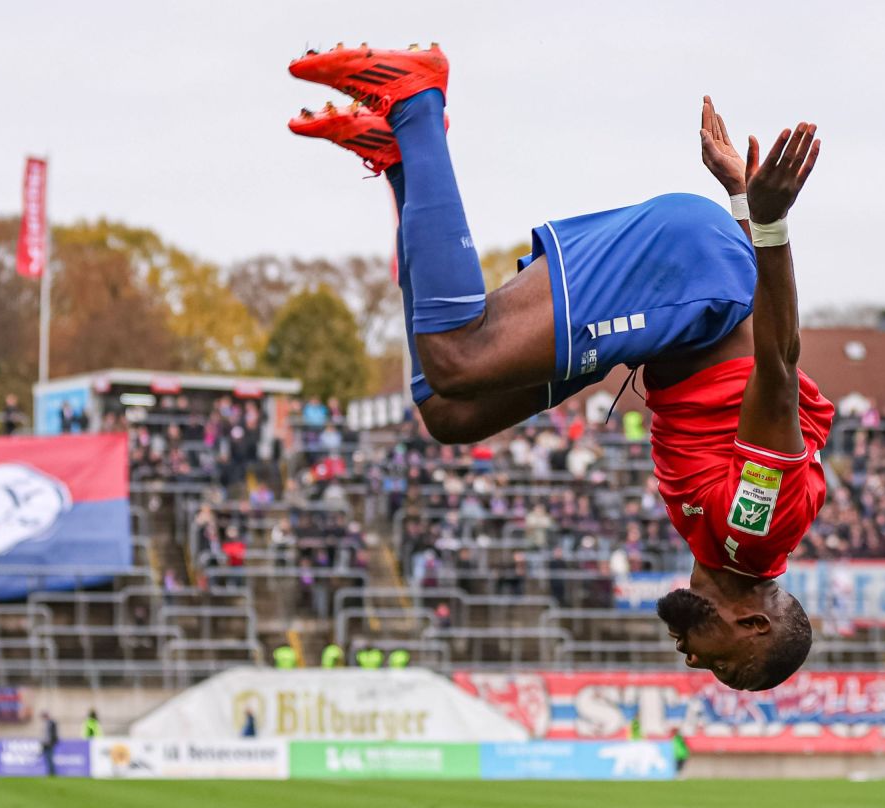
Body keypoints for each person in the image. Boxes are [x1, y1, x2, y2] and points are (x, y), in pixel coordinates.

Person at [287, 44, 830, 692]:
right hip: (685, 280)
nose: (694, 661)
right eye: (721, 662)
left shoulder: (721, 546)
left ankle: (403, 160)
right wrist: (766, 222)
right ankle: (414, 102)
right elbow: (774, 364)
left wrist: (741, 198)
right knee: (460, 355)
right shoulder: (757, 530)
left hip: (675, 321)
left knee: (450, 412)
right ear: (754, 627)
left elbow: (750, 360)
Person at [40, 711, 59, 777]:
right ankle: (50, 772)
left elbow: (53, 734)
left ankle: (52, 772)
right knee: (47, 758)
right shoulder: (45, 724)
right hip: (45, 744)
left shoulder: (51, 723)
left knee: (50, 758)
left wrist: (53, 742)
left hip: (50, 744)